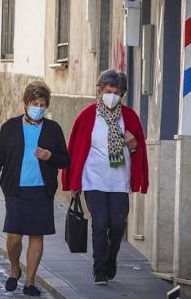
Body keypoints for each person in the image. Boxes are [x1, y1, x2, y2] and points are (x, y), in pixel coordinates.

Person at [0, 81, 70, 296]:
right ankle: (14, 268)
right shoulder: (10, 127)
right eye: (34, 103)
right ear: (25, 104)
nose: (38, 107)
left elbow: (65, 160)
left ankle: (29, 282)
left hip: (42, 191)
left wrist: (50, 157)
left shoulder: (53, 129)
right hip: (16, 190)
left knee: (37, 236)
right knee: (14, 238)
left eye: (42, 104)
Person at [61, 69, 148, 286]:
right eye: (108, 91)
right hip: (94, 180)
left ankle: (111, 258)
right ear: (100, 90)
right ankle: (100, 269)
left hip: (119, 181)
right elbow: (75, 150)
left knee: (117, 225)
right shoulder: (87, 116)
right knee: (100, 223)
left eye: (117, 92)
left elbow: (140, 150)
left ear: (123, 94)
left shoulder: (129, 117)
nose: (112, 95)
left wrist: (134, 146)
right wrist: (74, 182)